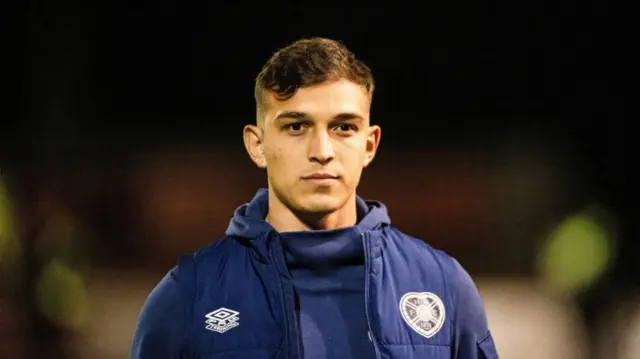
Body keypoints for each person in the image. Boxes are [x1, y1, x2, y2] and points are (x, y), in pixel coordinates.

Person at [130, 37, 500, 359]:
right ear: (257, 145)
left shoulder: (441, 285)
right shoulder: (187, 297)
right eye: (296, 126)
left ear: (369, 145)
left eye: (343, 127)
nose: (322, 150)